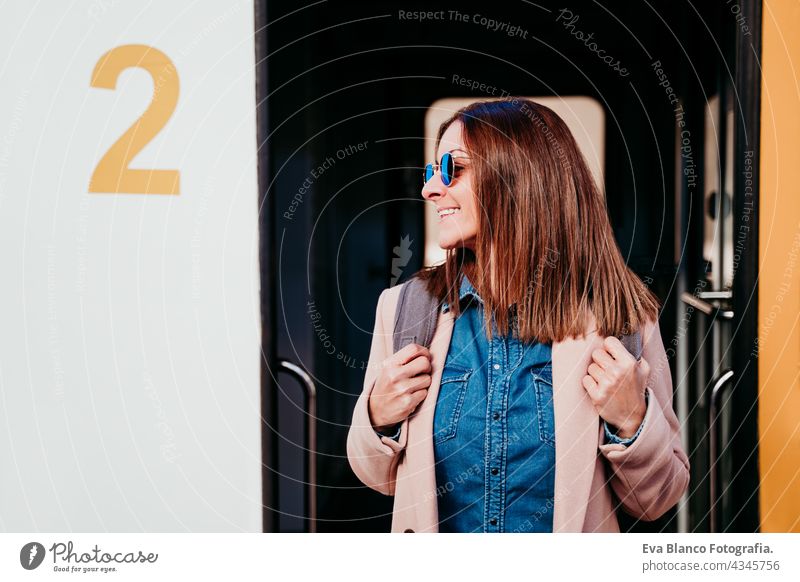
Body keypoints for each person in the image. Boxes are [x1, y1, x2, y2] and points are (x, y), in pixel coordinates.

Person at [346, 99, 689, 533]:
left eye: (452, 168)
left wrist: (632, 421)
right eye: (431, 172)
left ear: (518, 177)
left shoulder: (621, 319)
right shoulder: (405, 309)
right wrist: (378, 416)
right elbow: (376, 476)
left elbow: (657, 500)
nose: (430, 190)